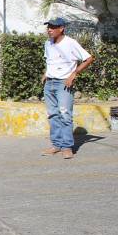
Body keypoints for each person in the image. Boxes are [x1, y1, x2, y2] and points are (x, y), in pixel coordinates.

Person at [40, 17, 94, 159]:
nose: (49, 29)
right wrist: (46, 74)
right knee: (52, 115)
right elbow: (50, 60)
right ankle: (56, 144)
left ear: (61, 28)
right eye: (48, 27)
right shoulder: (48, 43)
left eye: (53, 27)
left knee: (65, 114)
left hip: (63, 83)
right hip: (49, 83)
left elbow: (89, 58)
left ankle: (67, 146)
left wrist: (73, 74)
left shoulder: (70, 43)